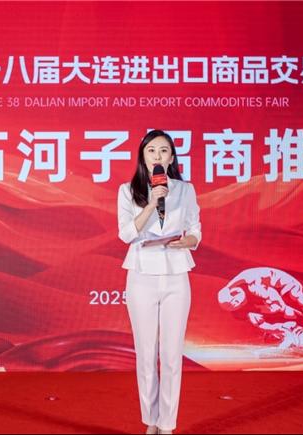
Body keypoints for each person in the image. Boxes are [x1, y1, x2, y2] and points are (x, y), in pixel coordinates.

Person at [117, 130, 201, 434]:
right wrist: (152, 203)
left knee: (171, 355)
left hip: (176, 274)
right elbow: (127, 234)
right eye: (151, 150)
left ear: (172, 157)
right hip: (142, 276)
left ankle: (167, 424)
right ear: (143, 157)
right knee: (146, 354)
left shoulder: (185, 190)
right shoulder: (128, 191)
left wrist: (189, 241)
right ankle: (150, 421)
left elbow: (195, 230)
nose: (157, 156)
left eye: (163, 151)